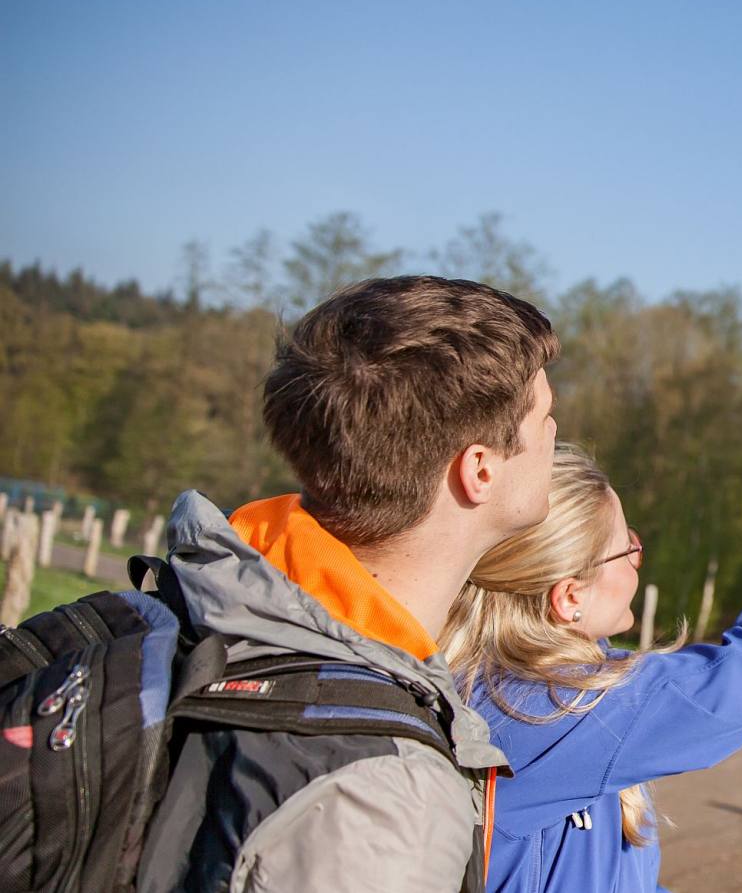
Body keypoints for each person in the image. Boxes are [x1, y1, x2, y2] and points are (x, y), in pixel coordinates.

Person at [135, 276, 559, 892]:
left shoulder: (205, 596)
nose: (554, 435)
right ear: (480, 470)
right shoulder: (388, 800)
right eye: (546, 415)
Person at [440, 442, 742, 892]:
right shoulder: (543, 710)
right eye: (626, 549)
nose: (638, 557)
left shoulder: (498, 690)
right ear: (570, 597)